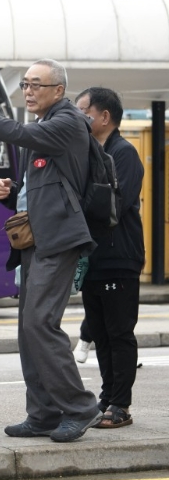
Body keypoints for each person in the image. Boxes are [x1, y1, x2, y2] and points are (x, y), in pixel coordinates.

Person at [0, 58, 102, 443]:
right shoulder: (44, 126)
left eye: (36, 84)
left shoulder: (67, 122)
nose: (27, 91)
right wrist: (12, 192)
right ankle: (42, 413)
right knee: (28, 330)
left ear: (58, 90)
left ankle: (80, 408)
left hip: (59, 239)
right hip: (34, 238)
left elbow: (16, 132)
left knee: (39, 323)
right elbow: (43, 189)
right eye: (25, 84)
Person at [75, 87, 144, 428]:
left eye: (83, 112)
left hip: (120, 257)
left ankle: (121, 404)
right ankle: (107, 397)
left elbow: (115, 203)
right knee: (100, 333)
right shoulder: (88, 152)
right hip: (94, 258)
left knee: (119, 333)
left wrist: (80, 201)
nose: (78, 118)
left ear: (104, 117)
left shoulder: (123, 153)